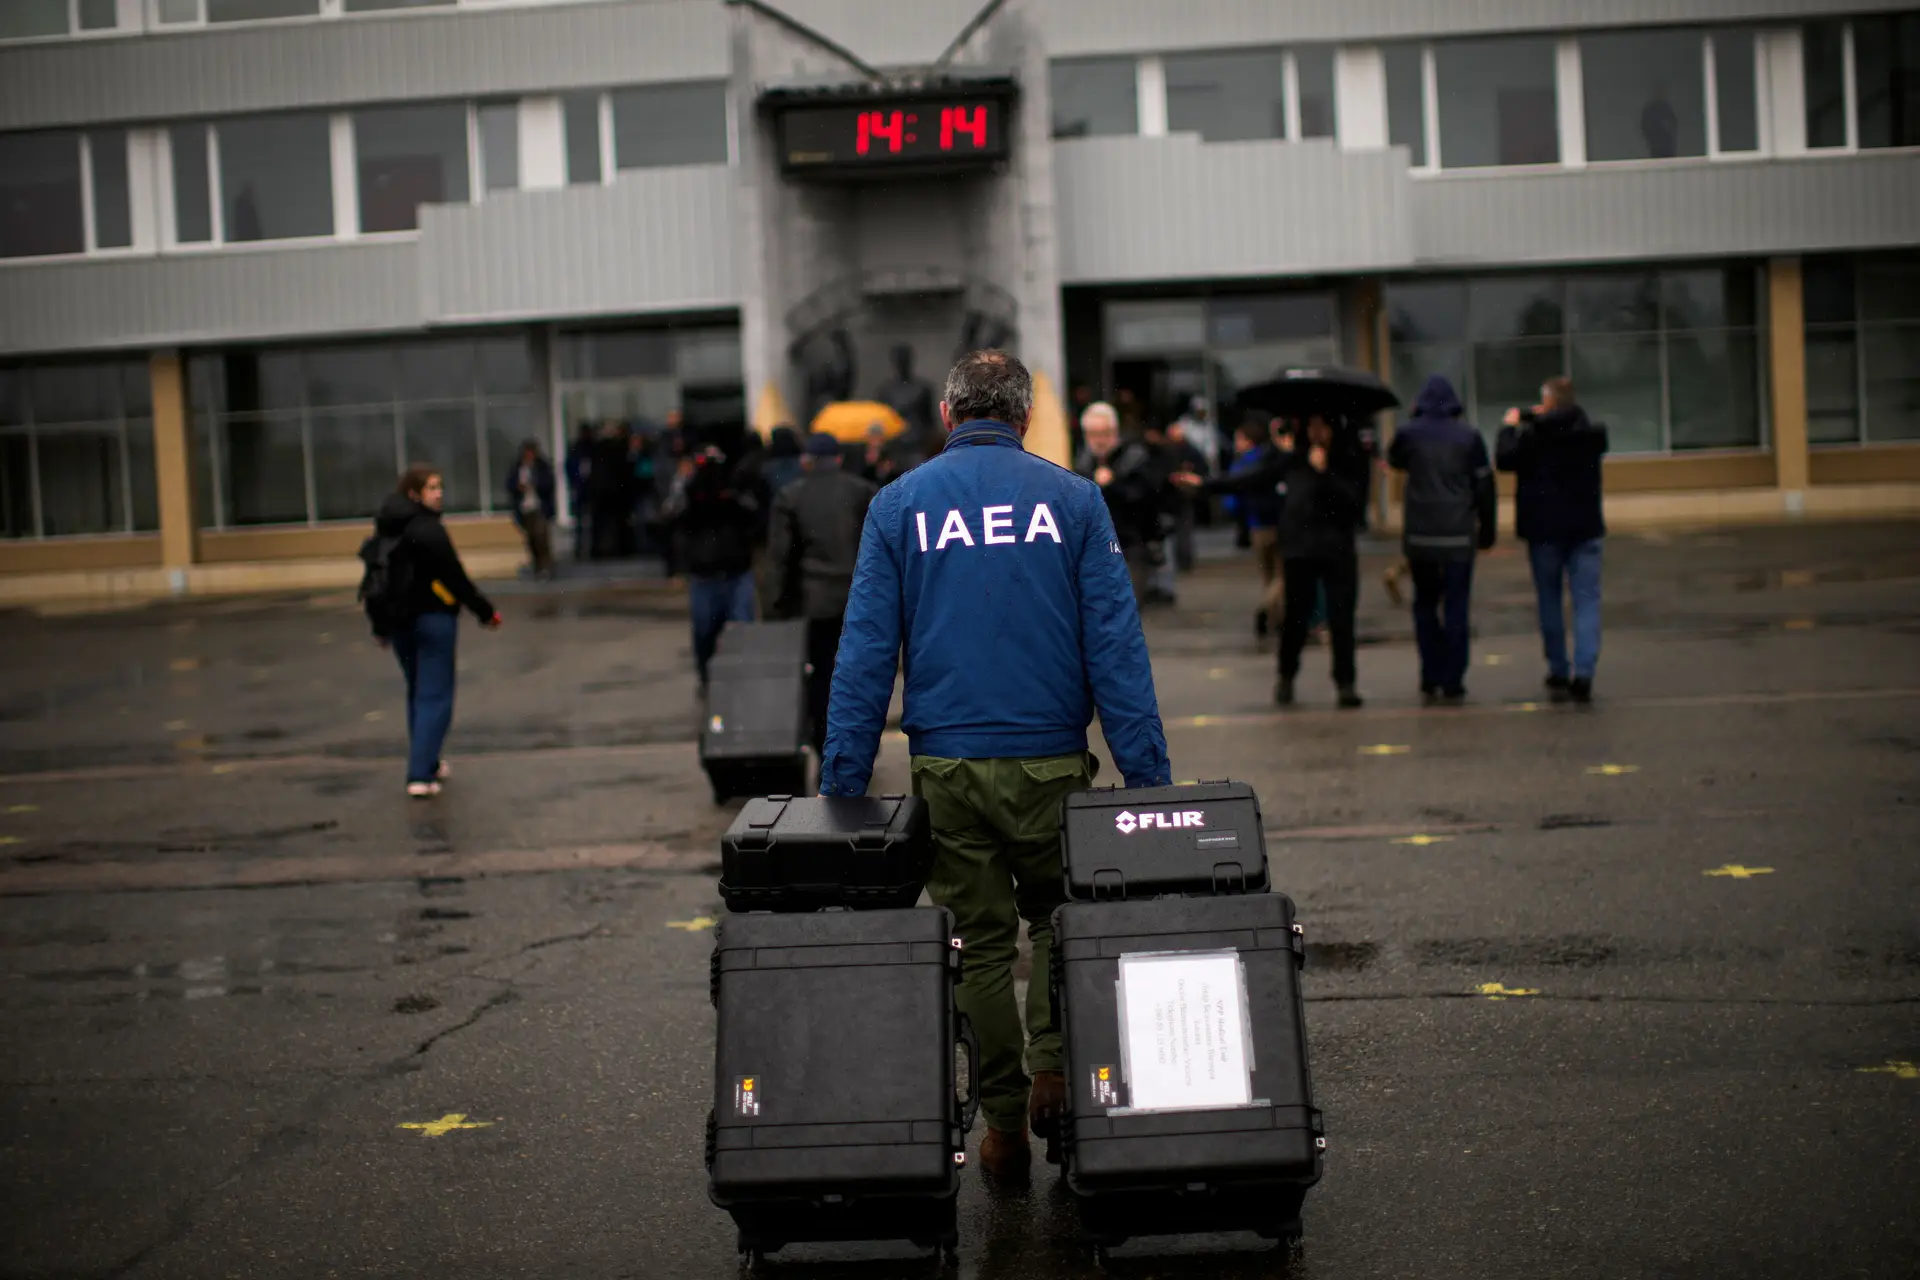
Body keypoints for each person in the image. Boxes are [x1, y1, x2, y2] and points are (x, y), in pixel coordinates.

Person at [823, 350, 1172, 1182]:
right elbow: (1115, 648)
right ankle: (1054, 1066)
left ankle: (1005, 1125)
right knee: (1057, 919)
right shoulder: (1074, 501)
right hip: (1051, 759)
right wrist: (1148, 780)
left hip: (948, 762)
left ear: (947, 415)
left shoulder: (898, 506)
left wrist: (842, 785)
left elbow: (865, 653)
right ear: (1024, 417)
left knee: (977, 945)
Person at [1195, 413, 1369, 707]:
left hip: (1337, 549)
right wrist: (1206, 485)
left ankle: (1345, 682)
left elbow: (1354, 504)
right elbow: (1252, 478)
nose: (1317, 433)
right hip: (1300, 549)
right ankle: (1286, 676)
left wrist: (1324, 473)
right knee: (1295, 619)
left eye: (1323, 427)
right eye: (1312, 426)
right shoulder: (1292, 460)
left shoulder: (1349, 460)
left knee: (1341, 620)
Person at [373, 466, 502, 798]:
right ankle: (419, 774)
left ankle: (428, 762)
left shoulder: (387, 528)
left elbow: (375, 578)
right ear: (414, 493)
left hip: (399, 623)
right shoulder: (429, 529)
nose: (439, 493)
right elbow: (455, 578)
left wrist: (380, 626)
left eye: (440, 486)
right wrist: (485, 612)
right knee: (435, 696)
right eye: (431, 488)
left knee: (419, 692)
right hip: (433, 619)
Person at [767, 433, 879, 756]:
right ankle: (862, 743)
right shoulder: (862, 491)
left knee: (822, 678)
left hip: (815, 602)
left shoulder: (791, 495)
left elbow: (781, 557)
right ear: (839, 458)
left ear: (807, 461)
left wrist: (777, 606)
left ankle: (826, 744)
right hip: (860, 600)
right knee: (860, 674)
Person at [1499, 376, 1608, 704]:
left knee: (1549, 599)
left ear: (1548, 403)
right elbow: (1571, 426)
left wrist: (1510, 426)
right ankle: (1584, 671)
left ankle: (1559, 667)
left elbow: (1504, 459)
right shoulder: (1592, 434)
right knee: (1586, 601)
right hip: (1585, 528)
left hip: (1543, 530)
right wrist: (1545, 417)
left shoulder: (1533, 437)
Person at [1388, 376, 1497, 704]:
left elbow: (1394, 459)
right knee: (1456, 605)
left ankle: (1430, 672)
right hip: (1458, 534)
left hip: (1421, 535)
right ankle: (1453, 678)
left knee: (1424, 603)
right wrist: (1486, 531)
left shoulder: (1409, 435)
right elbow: (1484, 488)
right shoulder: (1469, 437)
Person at [662, 444, 764, 688]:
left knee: (741, 628)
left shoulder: (734, 494)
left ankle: (738, 679)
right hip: (706, 573)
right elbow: (673, 518)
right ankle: (708, 677)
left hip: (734, 571)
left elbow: (755, 517)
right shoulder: (691, 495)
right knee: (705, 631)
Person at [1072, 402, 1160, 605]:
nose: (1099, 440)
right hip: (1094, 547)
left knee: (1128, 604)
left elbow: (1144, 498)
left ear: (1115, 431)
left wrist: (1112, 484)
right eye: (1093, 434)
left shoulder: (1135, 457)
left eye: (1105, 433)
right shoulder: (1083, 460)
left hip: (1130, 544)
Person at [1226, 419, 1287, 638]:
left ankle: (1272, 615)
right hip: (1278, 523)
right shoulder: (1274, 460)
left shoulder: (1242, 465)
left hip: (1256, 526)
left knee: (1268, 576)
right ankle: (1272, 611)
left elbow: (1232, 500)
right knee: (1282, 576)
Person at [503, 440, 556, 580]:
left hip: (539, 508)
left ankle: (546, 566)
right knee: (531, 539)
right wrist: (518, 487)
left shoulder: (541, 467)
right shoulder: (518, 468)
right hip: (525, 509)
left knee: (541, 537)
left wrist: (535, 484)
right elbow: (509, 484)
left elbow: (549, 484)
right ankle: (537, 566)